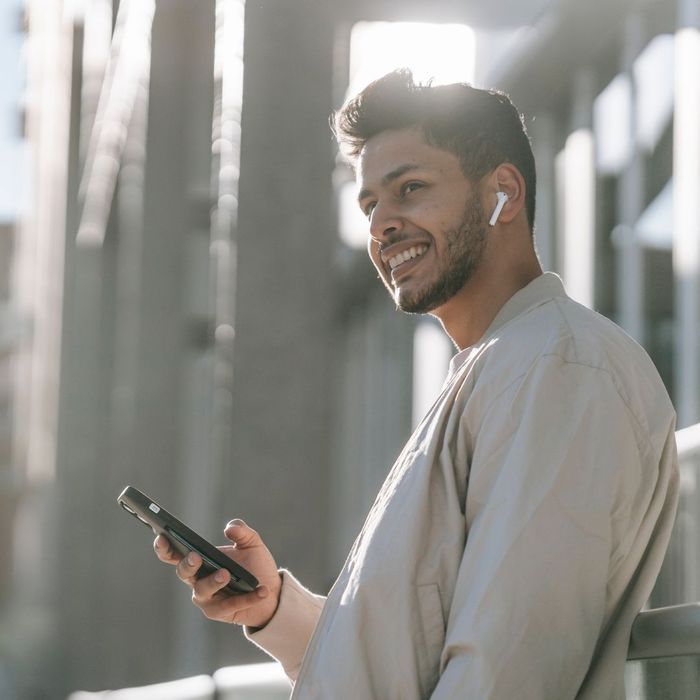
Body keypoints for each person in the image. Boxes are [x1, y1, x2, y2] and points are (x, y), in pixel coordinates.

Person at [154, 70, 679, 699]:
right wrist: (273, 609)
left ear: (503, 194)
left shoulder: (555, 369)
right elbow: (415, 659)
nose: (382, 225)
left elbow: (505, 671)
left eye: (411, 188)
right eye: (371, 204)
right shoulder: (503, 367)